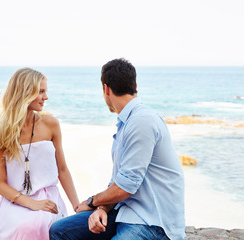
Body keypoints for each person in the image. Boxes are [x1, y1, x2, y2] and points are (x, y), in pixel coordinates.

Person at [49, 58, 186, 240]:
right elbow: (119, 180)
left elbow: (125, 187)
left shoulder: (141, 121)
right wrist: (102, 209)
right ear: (135, 85)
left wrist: (91, 202)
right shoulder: (127, 123)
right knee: (60, 231)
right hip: (126, 212)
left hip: (153, 222)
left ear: (106, 89)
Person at [0, 68, 80, 240]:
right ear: (24, 93)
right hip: (16, 202)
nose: (46, 97)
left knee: (44, 222)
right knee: (28, 226)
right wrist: (32, 203)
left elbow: (62, 169)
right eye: (41, 92)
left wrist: (77, 206)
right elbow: (0, 184)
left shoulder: (51, 124)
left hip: (49, 199)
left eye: (46, 91)